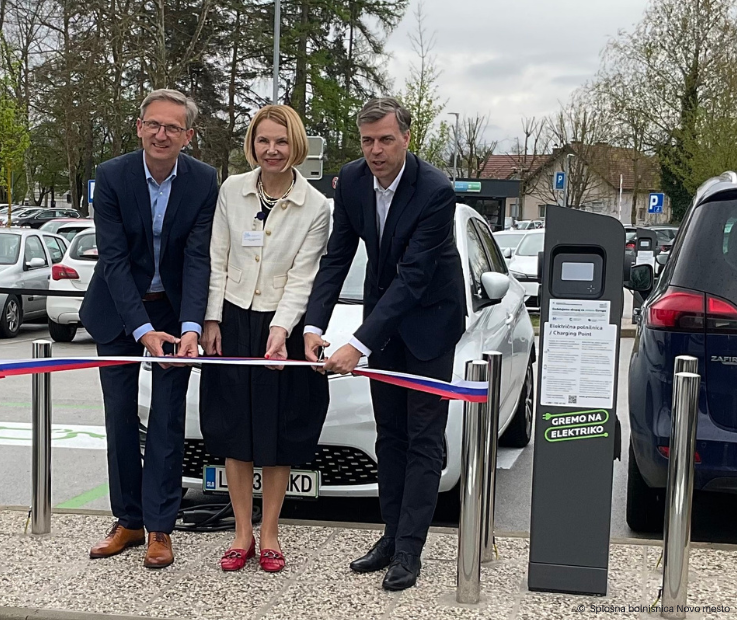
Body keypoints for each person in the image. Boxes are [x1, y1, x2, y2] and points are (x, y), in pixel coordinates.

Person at [303, 97, 466, 591]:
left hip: (430, 324)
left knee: (423, 439)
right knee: (389, 435)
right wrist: (313, 326)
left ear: (406, 139)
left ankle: (411, 551)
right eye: (367, 140)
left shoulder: (436, 190)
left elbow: (415, 278)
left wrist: (358, 343)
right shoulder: (351, 181)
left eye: (385, 140)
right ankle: (390, 536)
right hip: (383, 316)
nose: (375, 151)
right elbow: (337, 258)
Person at [80, 89, 218, 569]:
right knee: (119, 416)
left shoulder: (204, 181)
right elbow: (114, 260)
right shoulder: (112, 176)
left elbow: (199, 257)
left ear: (188, 135)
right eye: (153, 125)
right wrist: (141, 328)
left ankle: (161, 527)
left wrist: (191, 328)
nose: (162, 134)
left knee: (167, 420)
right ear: (139, 127)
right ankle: (129, 521)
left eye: (173, 128)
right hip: (119, 313)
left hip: (175, 312)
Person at [199, 105, 330, 573]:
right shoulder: (231, 191)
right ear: (252, 144)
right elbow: (217, 256)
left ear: (295, 145)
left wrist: (281, 331)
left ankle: (270, 534)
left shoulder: (316, 206)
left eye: (280, 141)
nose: (271, 150)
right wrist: (211, 320)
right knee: (236, 430)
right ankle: (241, 533)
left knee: (276, 435)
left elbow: (303, 276)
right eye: (263, 141)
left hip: (281, 327)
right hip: (233, 320)